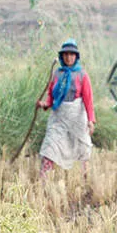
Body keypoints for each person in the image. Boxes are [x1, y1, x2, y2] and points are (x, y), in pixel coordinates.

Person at [36, 39, 96, 180]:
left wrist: (91, 120)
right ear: (62, 56)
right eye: (66, 55)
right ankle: (43, 180)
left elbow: (88, 99)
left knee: (82, 148)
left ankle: (84, 179)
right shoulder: (57, 74)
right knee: (50, 145)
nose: (69, 57)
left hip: (76, 116)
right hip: (59, 115)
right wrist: (45, 104)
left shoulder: (82, 75)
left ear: (76, 57)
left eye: (72, 55)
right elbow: (52, 96)